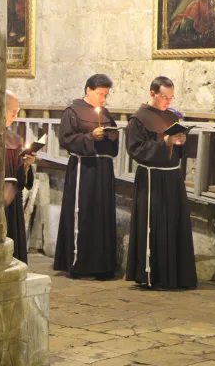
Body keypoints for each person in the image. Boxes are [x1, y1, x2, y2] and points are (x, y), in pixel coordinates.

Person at [125, 76, 197, 290]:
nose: (168, 101)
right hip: (152, 179)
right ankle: (154, 275)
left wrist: (181, 141)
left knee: (175, 224)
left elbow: (181, 151)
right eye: (164, 97)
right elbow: (136, 150)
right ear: (152, 93)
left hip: (173, 178)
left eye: (171, 97)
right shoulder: (138, 120)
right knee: (156, 226)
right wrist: (165, 141)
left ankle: (176, 276)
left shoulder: (172, 117)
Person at [53, 74, 119, 280]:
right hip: (84, 170)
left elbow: (113, 142)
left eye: (106, 95)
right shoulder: (72, 112)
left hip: (103, 171)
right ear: (89, 90)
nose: (103, 99)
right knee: (83, 214)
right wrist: (91, 137)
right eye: (100, 94)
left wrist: (111, 136)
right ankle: (79, 264)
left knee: (102, 214)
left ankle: (102, 266)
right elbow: (66, 139)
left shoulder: (105, 113)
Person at [4, 90, 35, 264]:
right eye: (12, 111)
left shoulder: (14, 139)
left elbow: (23, 179)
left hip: (13, 199)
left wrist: (26, 165)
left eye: (17, 111)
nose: (15, 116)